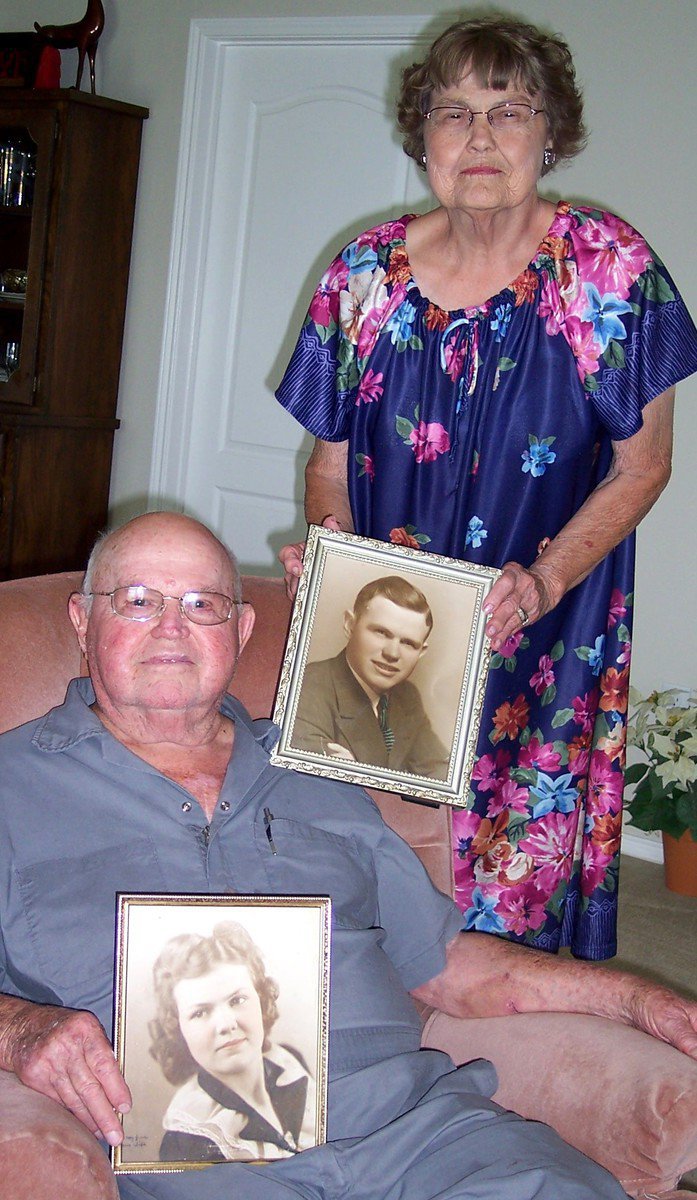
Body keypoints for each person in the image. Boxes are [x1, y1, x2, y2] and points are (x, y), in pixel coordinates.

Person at [0, 511, 696, 1200]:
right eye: (138, 600)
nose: (172, 627)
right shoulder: (11, 786)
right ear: (82, 621)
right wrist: (20, 1030)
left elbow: (443, 964)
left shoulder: (320, 768)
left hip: (412, 1133)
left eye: (202, 604)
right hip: (189, 1157)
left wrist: (634, 1001)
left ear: (241, 632)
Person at [275, 15, 697, 960]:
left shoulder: (607, 268)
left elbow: (645, 463)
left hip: (543, 618)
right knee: (372, 854)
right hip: (391, 621)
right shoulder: (362, 276)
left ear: (552, 135)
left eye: (509, 112)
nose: (477, 137)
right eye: (452, 112)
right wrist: (336, 562)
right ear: (418, 135)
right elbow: (326, 463)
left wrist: (543, 583)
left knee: (512, 860)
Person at [149, 921, 317, 1163]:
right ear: (178, 1028)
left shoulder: (291, 1063)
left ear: (260, 999)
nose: (226, 1024)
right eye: (200, 1012)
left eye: (237, 1000)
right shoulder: (188, 1138)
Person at [292, 575, 449, 778]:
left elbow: (439, 773)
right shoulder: (307, 687)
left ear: (421, 652)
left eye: (408, 643)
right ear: (350, 624)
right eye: (381, 632)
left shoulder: (407, 696)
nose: (392, 653)